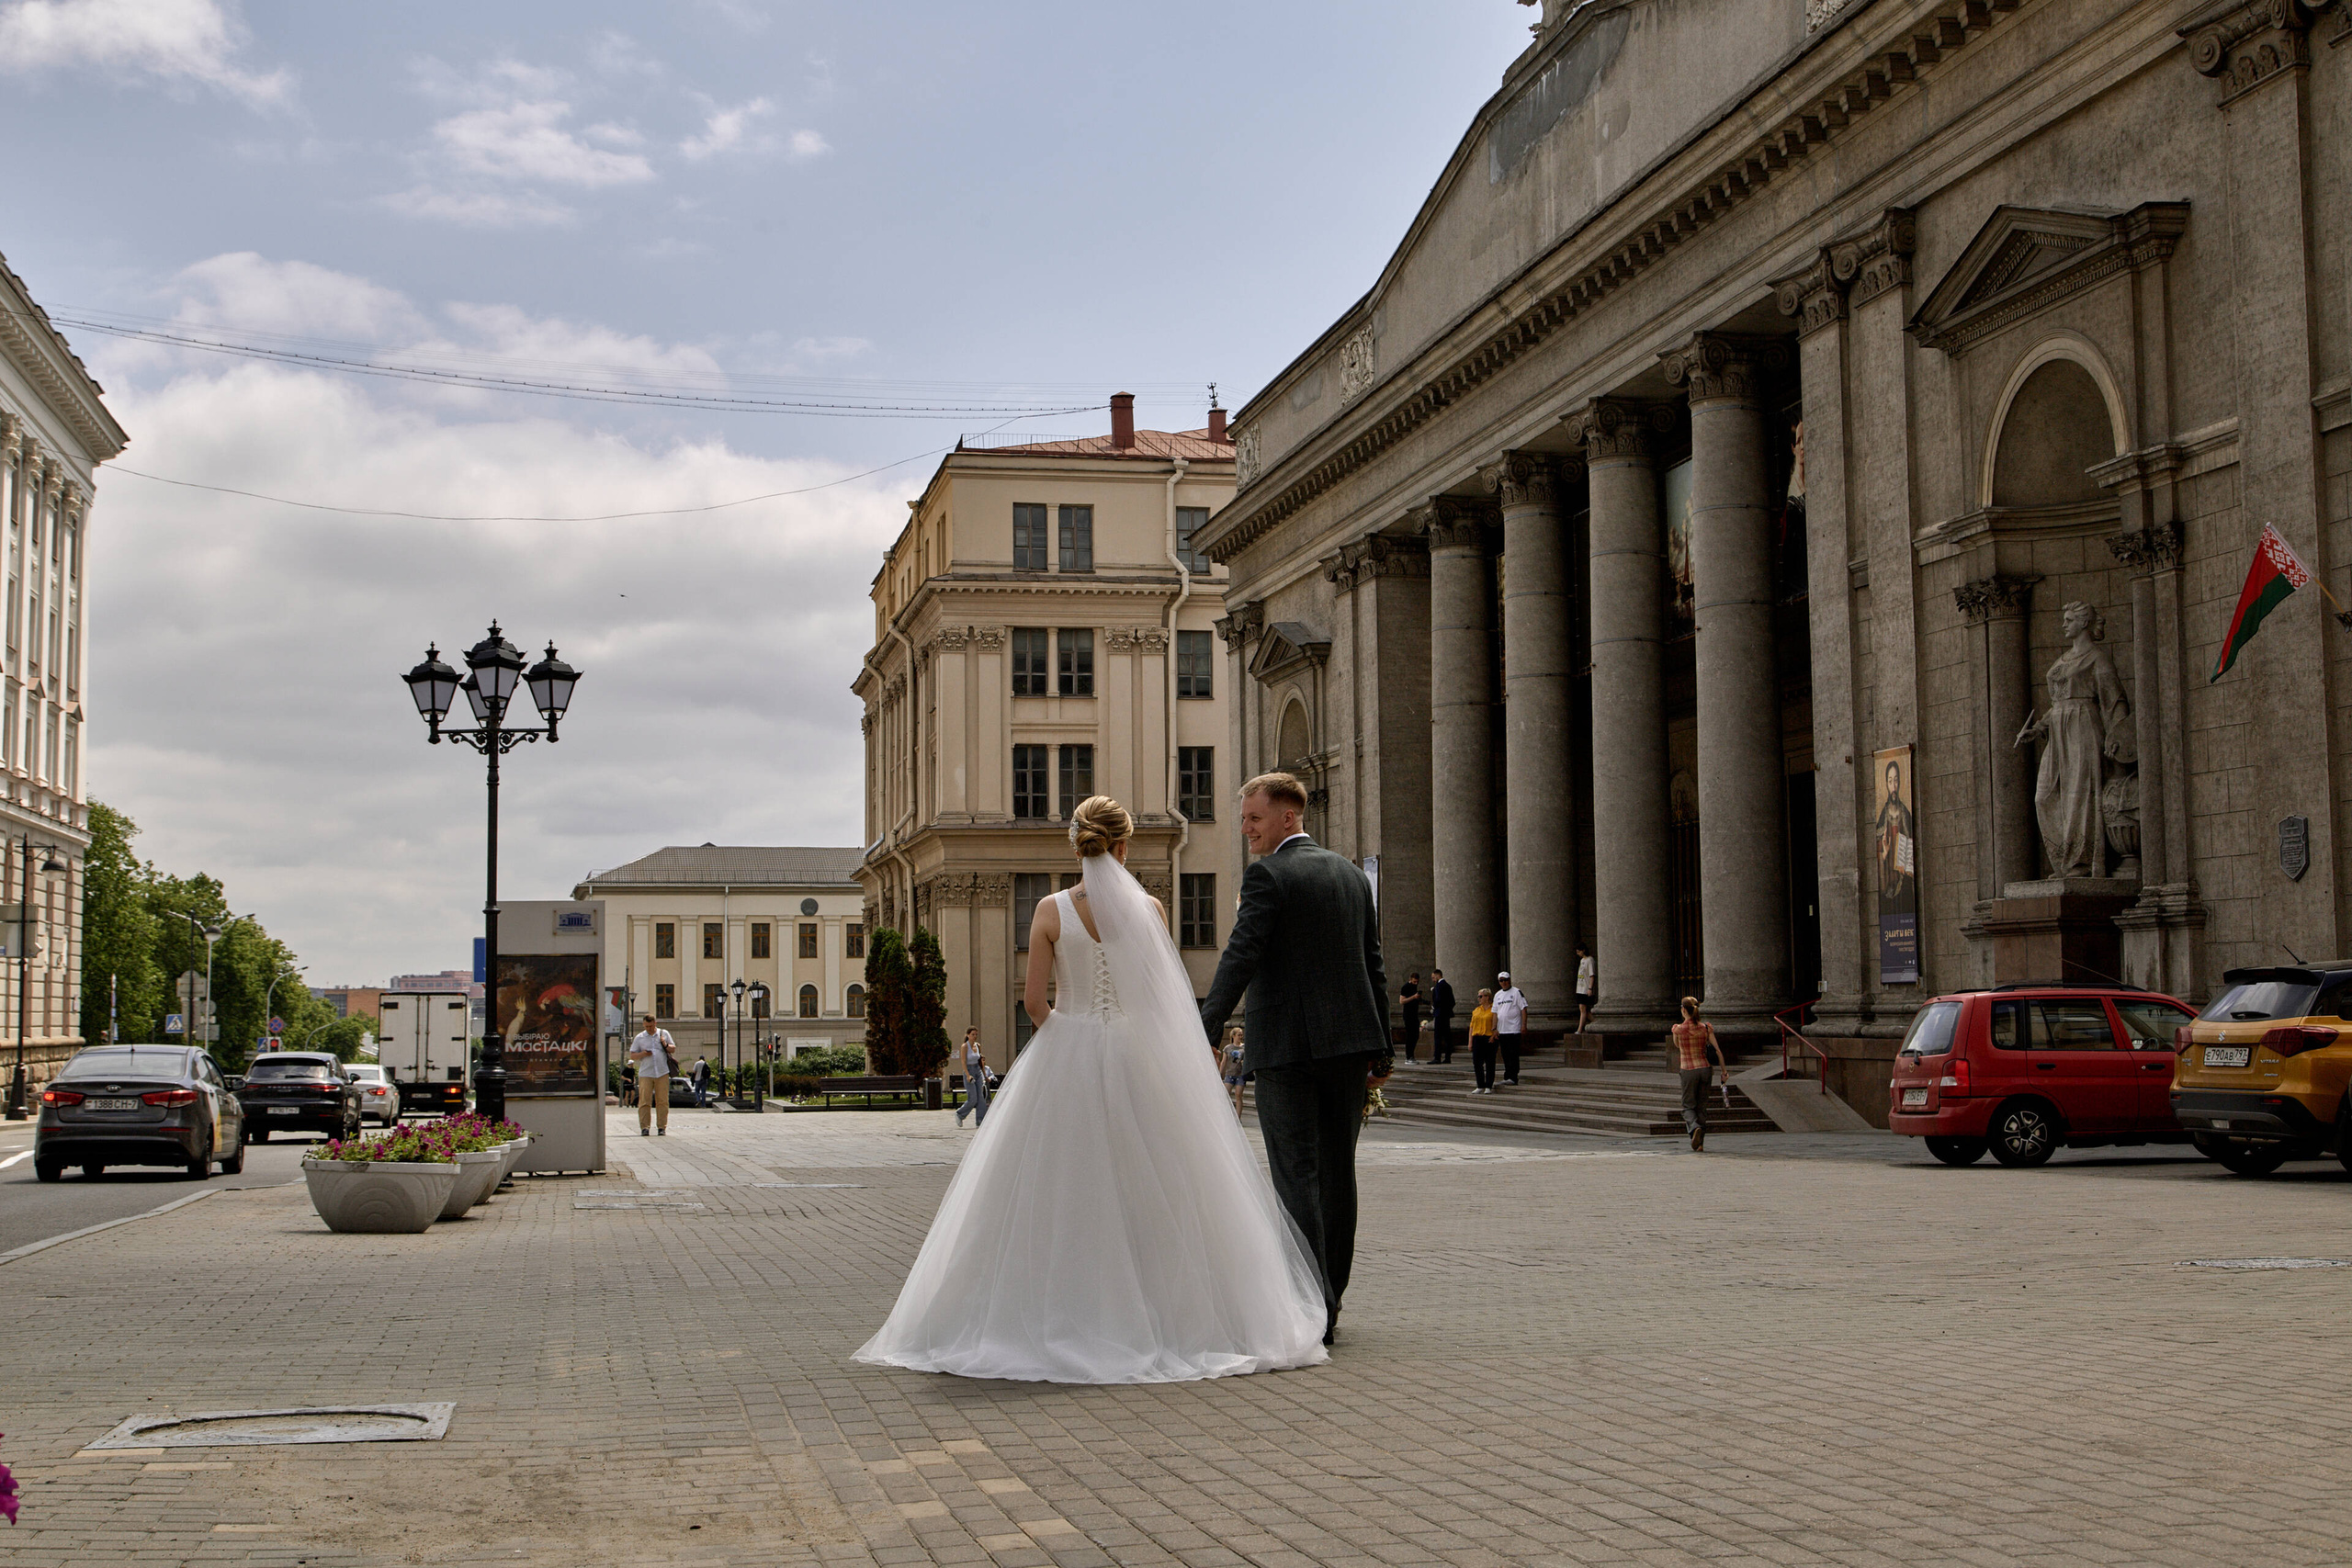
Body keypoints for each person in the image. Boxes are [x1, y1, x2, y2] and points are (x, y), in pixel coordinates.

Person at [856, 795, 1328, 1383]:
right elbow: (1161, 997)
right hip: (1138, 1055)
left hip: (1068, 1053)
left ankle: (1063, 1312)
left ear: (1076, 846)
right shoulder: (1149, 909)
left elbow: (1034, 1004)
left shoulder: (1051, 911)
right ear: (1125, 846)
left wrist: (1069, 1037)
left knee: (1058, 1189)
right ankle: (1174, 1319)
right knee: (1163, 1184)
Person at [1199, 771, 1392, 1348]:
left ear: (1289, 817)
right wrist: (1382, 1046)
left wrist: (1202, 1026)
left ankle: (1315, 1307)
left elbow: (1241, 955)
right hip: (1349, 1048)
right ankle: (1332, 1295)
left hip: (1287, 1050)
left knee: (1295, 1178)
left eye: (1254, 819)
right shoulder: (1353, 877)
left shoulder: (1269, 877)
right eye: (1243, 819)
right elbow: (1373, 966)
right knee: (1338, 1174)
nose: (1246, 830)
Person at [1672, 996, 1728, 1152]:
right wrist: (1724, 1072)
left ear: (1683, 1010)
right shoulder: (1706, 1028)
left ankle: (1694, 1128)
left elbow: (1677, 1046)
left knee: (1688, 1106)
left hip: (1688, 1070)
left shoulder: (1677, 1029)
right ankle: (1699, 1143)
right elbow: (1717, 1051)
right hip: (1705, 1069)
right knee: (1702, 1107)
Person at [627, 1016, 676, 1136]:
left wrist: (664, 1044)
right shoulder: (640, 1037)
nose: (648, 1029)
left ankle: (661, 1127)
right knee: (644, 1101)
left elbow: (673, 1049)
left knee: (663, 1101)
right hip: (646, 1073)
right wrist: (643, 1053)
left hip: (662, 1072)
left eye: (650, 1026)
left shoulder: (663, 1033)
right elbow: (632, 1055)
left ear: (655, 1023)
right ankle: (645, 1127)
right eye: (646, 1026)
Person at [1492, 972, 1528, 1086]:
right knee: (1505, 1054)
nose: (1504, 982)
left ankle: (1513, 1076)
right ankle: (1507, 1075)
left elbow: (1523, 1009)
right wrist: (1494, 1028)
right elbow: (1494, 1012)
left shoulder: (1516, 992)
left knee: (1513, 1053)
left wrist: (1524, 1025)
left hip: (1514, 1029)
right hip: (1502, 1030)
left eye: (1505, 980)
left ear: (1509, 980)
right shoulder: (1498, 995)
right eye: (1501, 980)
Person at [954, 1026, 991, 1128]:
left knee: (981, 1097)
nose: (974, 1037)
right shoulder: (965, 1047)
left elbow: (980, 1062)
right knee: (973, 1098)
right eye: (972, 1034)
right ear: (968, 1035)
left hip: (978, 1071)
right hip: (969, 1070)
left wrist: (985, 1075)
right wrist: (967, 1075)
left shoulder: (978, 1046)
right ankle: (960, 1114)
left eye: (976, 1035)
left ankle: (980, 1121)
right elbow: (963, 1061)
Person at [1467, 988, 1498, 1094]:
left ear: (1487, 997)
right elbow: (1472, 1027)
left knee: (1490, 1062)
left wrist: (1494, 1034)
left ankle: (1489, 1085)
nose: (1479, 999)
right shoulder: (1476, 1010)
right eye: (1478, 996)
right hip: (1478, 1037)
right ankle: (1480, 1084)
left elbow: (1498, 1023)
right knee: (1477, 1063)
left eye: (1480, 996)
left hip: (1489, 1038)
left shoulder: (1494, 1009)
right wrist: (1470, 1042)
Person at [1428, 968, 1456, 1064]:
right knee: (1447, 1036)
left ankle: (1437, 1057)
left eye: (1433, 977)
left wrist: (1434, 1007)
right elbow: (1452, 1001)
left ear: (1437, 975)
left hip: (1440, 1014)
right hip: (1446, 1014)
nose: (1433, 979)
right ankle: (1448, 1057)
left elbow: (1438, 999)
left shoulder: (1439, 986)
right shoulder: (1448, 986)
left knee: (1438, 1036)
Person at [1219, 1025, 1248, 1117]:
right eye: (1239, 1035)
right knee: (1226, 1095)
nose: (1241, 1037)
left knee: (1238, 1095)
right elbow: (1224, 1062)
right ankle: (1226, 1115)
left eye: (1241, 1035)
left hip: (1240, 1074)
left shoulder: (1244, 1047)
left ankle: (1238, 1117)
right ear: (1233, 1036)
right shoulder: (1228, 1048)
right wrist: (1220, 1074)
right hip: (1230, 1073)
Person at [1397, 972, 1422, 1064]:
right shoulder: (1405, 987)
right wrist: (1413, 997)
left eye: (1417, 982)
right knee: (1410, 1035)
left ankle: (1411, 1055)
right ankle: (1408, 1056)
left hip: (1414, 1014)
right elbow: (1402, 1001)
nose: (1416, 983)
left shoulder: (1414, 987)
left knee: (1416, 1035)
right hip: (1408, 1014)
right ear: (1411, 979)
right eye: (1414, 981)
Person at [1574, 946, 1596, 1035]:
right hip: (1580, 988)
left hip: (1586, 989)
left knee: (1583, 1009)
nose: (1578, 953)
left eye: (1579, 951)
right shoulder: (1582, 960)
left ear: (1583, 950)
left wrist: (1590, 988)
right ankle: (1595, 1023)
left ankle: (1580, 1029)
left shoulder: (1590, 960)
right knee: (1584, 1011)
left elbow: (1592, 975)